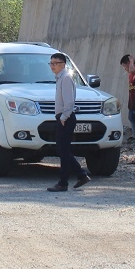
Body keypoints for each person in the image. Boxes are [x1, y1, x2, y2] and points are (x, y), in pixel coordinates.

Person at [47, 53, 90, 192]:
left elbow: (69, 101)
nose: (52, 66)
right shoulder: (60, 78)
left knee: (63, 150)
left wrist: (64, 117)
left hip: (66, 118)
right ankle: (81, 175)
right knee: (62, 149)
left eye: (55, 63)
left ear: (63, 64)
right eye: (51, 63)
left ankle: (64, 182)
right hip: (63, 117)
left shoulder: (65, 78)